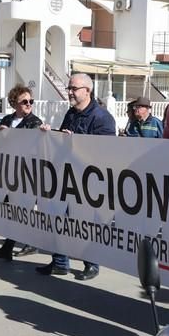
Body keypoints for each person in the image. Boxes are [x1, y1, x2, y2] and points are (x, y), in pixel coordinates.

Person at [37, 73, 116, 281]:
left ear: (87, 91)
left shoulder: (102, 118)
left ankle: (91, 263)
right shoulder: (71, 114)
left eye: (73, 88)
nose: (69, 92)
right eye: (69, 88)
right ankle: (60, 263)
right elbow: (62, 140)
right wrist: (50, 133)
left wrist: (76, 143)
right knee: (59, 221)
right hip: (66, 178)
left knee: (84, 226)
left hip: (89, 181)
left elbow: (105, 152)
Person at [0, 85, 43, 261]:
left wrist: (8, 135)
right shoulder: (7, 119)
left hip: (26, 172)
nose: (29, 104)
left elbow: (29, 145)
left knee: (21, 210)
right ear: (14, 103)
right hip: (8, 172)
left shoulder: (35, 122)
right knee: (11, 209)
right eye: (24, 101)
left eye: (31, 101)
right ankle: (22, 243)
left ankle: (10, 247)